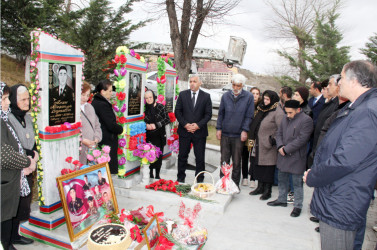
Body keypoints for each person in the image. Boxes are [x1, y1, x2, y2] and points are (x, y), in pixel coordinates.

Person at [304, 60, 377, 250]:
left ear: (354, 81)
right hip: (340, 196)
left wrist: (313, 176)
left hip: (342, 203)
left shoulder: (367, 112)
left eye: (342, 78)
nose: (339, 83)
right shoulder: (359, 107)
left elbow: (345, 160)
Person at [1, 82, 37, 250]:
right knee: (8, 211)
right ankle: (6, 243)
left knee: (18, 206)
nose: (26, 102)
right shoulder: (5, 119)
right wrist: (28, 159)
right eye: (4, 98)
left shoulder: (25, 117)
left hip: (22, 169)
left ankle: (12, 238)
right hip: (11, 172)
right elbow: (7, 152)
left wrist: (34, 154)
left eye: (28, 99)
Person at [267, 100, 313, 217]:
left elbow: (302, 139)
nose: (288, 115)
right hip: (283, 154)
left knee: (297, 183)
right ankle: (282, 199)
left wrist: (286, 149)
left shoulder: (306, 120)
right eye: (286, 112)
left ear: (298, 110)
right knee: (282, 178)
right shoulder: (285, 118)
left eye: (290, 113)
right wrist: (280, 146)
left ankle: (298, 206)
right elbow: (279, 134)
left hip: (296, 156)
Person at [216, 74, 254, 189]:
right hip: (225, 133)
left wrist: (245, 130)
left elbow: (249, 115)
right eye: (234, 85)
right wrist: (219, 128)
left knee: (237, 161)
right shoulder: (226, 96)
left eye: (238, 85)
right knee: (224, 160)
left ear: (242, 85)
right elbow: (221, 113)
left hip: (238, 135)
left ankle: (235, 185)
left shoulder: (248, 97)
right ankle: (223, 183)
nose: (236, 87)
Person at [175, 74, 212, 183]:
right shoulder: (182, 95)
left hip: (199, 132)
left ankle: (200, 180)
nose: (192, 83)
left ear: (200, 83)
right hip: (184, 131)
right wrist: (186, 124)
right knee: (182, 156)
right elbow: (178, 111)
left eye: (194, 81)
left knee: (200, 158)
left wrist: (197, 125)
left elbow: (208, 114)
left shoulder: (206, 96)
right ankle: (180, 179)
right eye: (190, 81)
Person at [248, 90, 284, 200]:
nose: (265, 101)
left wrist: (272, 140)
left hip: (269, 146)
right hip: (258, 144)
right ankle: (260, 187)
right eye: (264, 98)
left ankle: (267, 191)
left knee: (267, 169)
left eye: (268, 99)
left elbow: (282, 129)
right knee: (258, 166)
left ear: (273, 100)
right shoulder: (261, 108)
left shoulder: (278, 112)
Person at [91, 80, 123, 174]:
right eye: (109, 91)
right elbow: (110, 124)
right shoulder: (102, 105)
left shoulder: (98, 101)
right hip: (107, 138)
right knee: (108, 166)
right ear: (102, 91)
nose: (111, 93)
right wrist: (120, 129)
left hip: (103, 137)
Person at [144, 90, 170, 179]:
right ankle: (150, 173)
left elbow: (167, 119)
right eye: (146, 98)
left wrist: (156, 125)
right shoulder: (144, 109)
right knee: (149, 155)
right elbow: (140, 120)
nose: (149, 99)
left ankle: (157, 174)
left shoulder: (160, 107)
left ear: (154, 97)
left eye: (150, 97)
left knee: (158, 155)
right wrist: (146, 125)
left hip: (159, 136)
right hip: (148, 137)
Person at [242, 87, 261, 188]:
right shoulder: (245, 105)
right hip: (246, 134)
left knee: (253, 158)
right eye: (253, 93)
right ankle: (244, 177)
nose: (255, 95)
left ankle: (253, 178)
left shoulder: (261, 108)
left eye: (257, 93)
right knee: (244, 156)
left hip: (255, 137)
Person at [80, 82, 102, 164]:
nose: (85, 98)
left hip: (92, 147)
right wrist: (82, 140)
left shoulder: (90, 107)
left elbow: (97, 125)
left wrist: (96, 139)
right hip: (80, 148)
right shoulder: (73, 110)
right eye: (83, 94)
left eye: (87, 95)